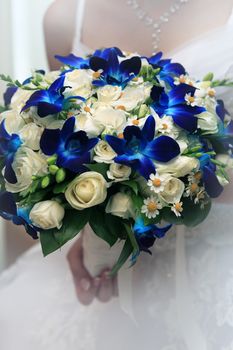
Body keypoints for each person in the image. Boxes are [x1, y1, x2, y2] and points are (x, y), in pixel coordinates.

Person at [0, 0, 233, 349]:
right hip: (114, 260)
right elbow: (61, 144)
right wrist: (85, 235)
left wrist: (176, 181)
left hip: (218, 255)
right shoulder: (63, 17)